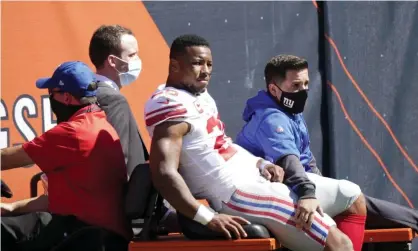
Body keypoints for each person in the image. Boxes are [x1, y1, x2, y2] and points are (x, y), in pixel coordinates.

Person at [144, 34, 361, 251]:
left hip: (255, 178)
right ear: (174, 65)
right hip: (235, 193)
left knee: (351, 196)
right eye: (197, 63)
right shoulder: (169, 103)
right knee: (339, 244)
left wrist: (260, 163)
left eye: (209, 64)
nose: (206, 70)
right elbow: (164, 172)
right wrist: (206, 217)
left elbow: (224, 146)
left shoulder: (200, 96)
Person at [235, 54, 418, 250]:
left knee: (358, 201)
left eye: (306, 84)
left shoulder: (291, 112)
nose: (303, 91)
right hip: (276, 190)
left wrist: (321, 187)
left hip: (295, 185)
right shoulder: (272, 118)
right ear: (273, 89)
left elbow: (307, 161)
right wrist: (308, 193)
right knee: (353, 197)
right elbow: (289, 163)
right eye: (295, 85)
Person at [1, 61, 130, 251]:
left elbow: (5, 158)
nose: (50, 99)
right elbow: (64, 199)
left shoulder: (72, 133)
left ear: (67, 97)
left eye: (51, 94)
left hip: (85, 236)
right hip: (96, 232)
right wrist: (12, 208)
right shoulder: (100, 123)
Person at [89, 24, 149, 178]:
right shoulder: (112, 99)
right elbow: (119, 157)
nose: (138, 60)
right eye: (132, 55)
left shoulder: (88, 92)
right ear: (112, 61)